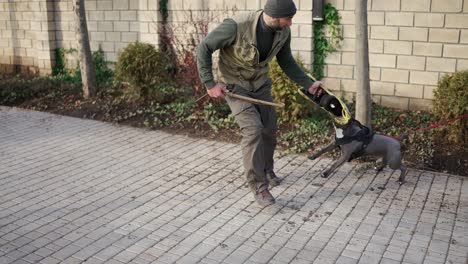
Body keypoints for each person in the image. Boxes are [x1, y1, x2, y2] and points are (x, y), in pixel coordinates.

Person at [196, 0, 323, 206]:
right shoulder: (236, 26)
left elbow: (286, 61)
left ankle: (266, 169)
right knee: (253, 130)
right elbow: (204, 47)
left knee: (269, 129)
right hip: (235, 87)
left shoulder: (282, 32)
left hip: (261, 85)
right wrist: (210, 83)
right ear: (273, 16)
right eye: (287, 19)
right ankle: (259, 187)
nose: (290, 23)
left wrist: (308, 84)